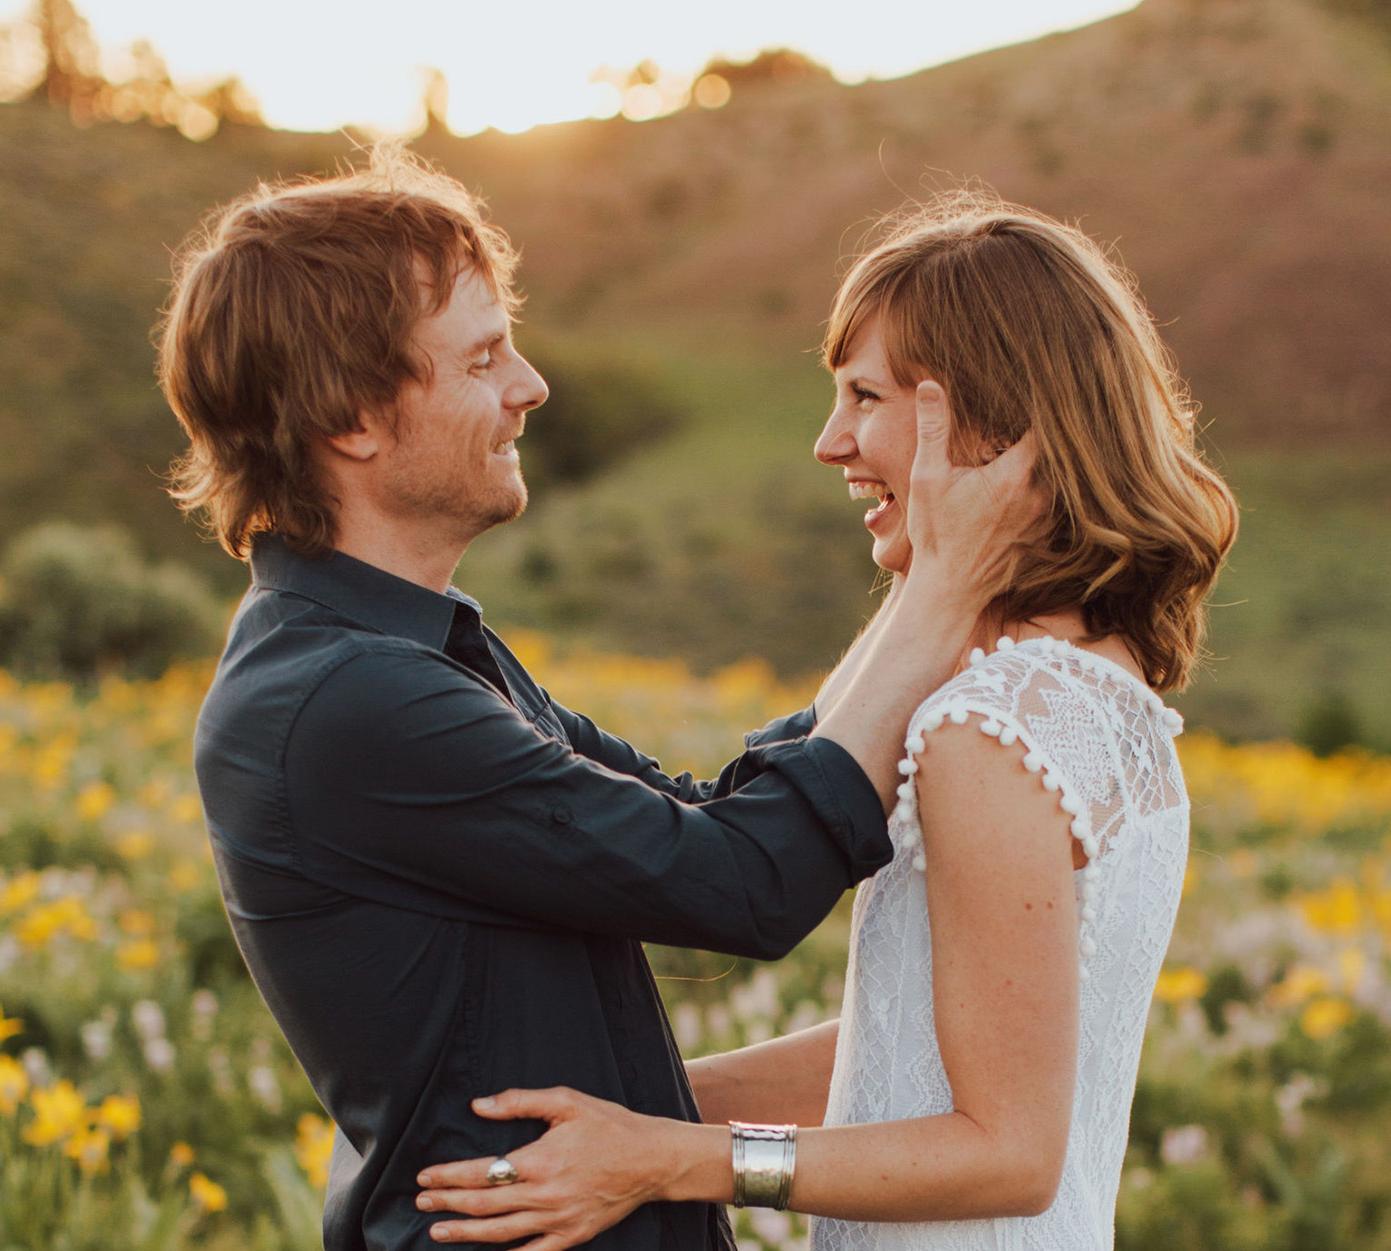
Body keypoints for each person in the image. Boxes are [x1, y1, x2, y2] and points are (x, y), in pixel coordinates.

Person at [157, 150, 1040, 1251]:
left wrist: (933, 586)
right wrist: (941, 587)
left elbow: (705, 813)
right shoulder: (351, 699)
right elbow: (743, 883)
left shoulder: (419, 652)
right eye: (483, 357)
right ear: (352, 417)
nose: (530, 385)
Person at [406, 193, 1239, 1249]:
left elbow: (1007, 1152)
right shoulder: (1090, 684)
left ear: (987, 424)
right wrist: (628, 1109)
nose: (828, 440)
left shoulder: (987, 728)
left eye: (864, 395)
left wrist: (674, 1159)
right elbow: (928, 1043)